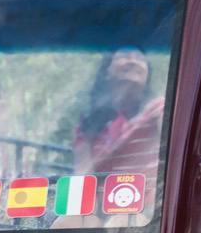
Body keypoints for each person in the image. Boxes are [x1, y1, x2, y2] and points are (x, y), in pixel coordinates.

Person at [70, 47, 165, 175]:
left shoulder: (159, 109)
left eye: (140, 59)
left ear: (147, 75)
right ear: (106, 71)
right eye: (124, 56)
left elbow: (173, 153)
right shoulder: (87, 126)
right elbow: (82, 177)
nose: (133, 61)